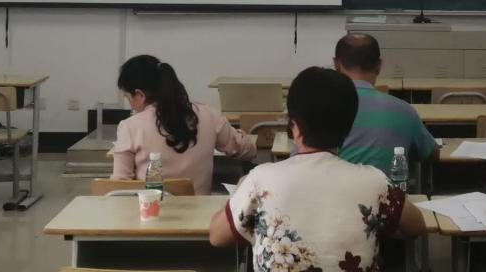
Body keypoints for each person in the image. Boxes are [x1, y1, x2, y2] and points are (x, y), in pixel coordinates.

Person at [209, 66, 426, 270]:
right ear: (348, 127)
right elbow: (416, 226)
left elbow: (217, 237)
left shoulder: (259, 179)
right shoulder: (375, 182)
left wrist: (239, 192)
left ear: (294, 126)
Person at [112, 54, 255, 194]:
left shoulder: (129, 127)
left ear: (140, 95)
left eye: (128, 97)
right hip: (201, 209)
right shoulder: (207, 114)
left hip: (152, 208)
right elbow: (248, 151)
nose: (130, 104)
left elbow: (120, 188)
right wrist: (241, 136)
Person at [333, 33, 438, 173]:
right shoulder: (404, 111)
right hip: (387, 187)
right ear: (379, 66)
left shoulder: (320, 108)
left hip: (334, 186)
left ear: (336, 65)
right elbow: (431, 154)